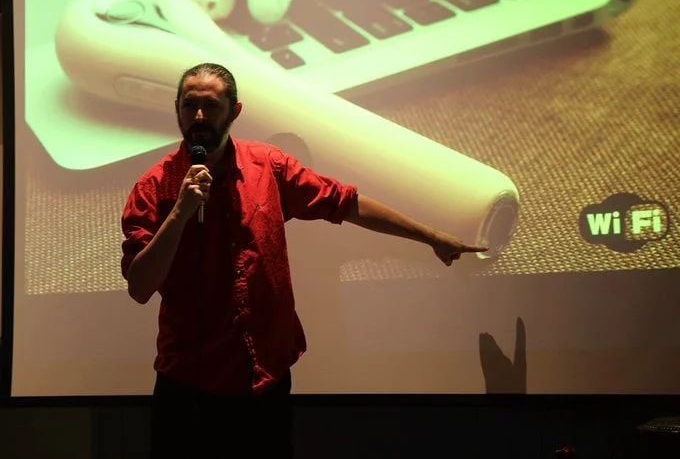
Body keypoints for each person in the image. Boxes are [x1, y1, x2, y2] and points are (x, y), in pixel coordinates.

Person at [120, 62, 488, 458]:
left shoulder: (269, 166)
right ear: (176, 107)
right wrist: (181, 212)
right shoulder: (154, 186)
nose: (198, 117)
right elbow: (140, 287)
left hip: (264, 378)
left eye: (210, 106)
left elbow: (346, 203)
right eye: (189, 105)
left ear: (235, 111)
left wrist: (430, 236)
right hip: (190, 387)